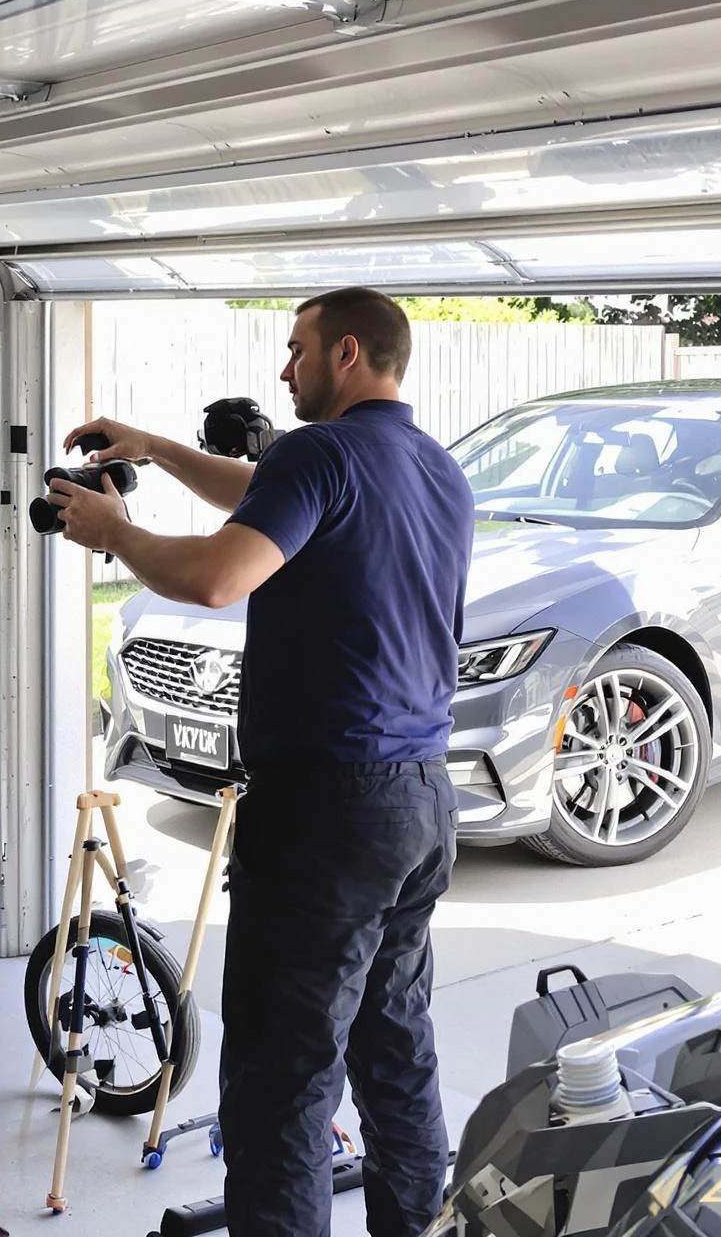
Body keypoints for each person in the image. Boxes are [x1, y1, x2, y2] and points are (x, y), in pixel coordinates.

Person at [46, 287, 475, 1237]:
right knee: (393, 1050)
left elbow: (217, 575)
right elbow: (263, 493)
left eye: (297, 350)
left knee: (282, 1081)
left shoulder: (318, 454)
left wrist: (114, 532)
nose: (284, 370)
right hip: (418, 803)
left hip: (326, 813)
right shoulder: (436, 468)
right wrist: (155, 448)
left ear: (347, 353)